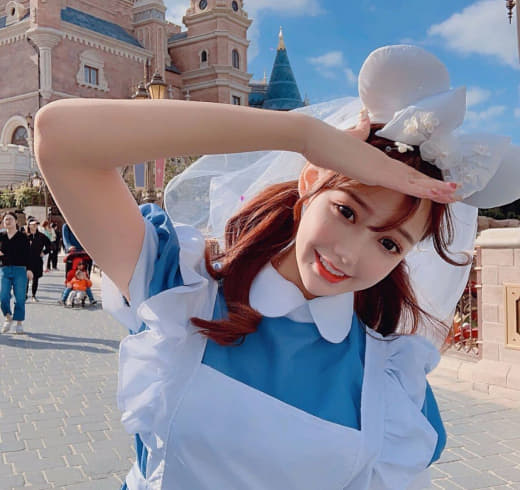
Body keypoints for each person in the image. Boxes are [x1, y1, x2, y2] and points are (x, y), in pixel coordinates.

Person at [34, 45, 520, 489]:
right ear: (309, 183)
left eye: (389, 243)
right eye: (347, 212)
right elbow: (59, 137)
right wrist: (300, 135)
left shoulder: (390, 379)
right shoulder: (184, 286)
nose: (350, 254)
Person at [0, 212, 32, 334]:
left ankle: (19, 323)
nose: (7, 221)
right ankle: (8, 317)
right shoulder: (1, 236)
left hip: (20, 269)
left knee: (20, 298)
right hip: (4, 269)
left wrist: (29, 269)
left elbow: (28, 254)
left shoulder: (23, 237)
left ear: (16, 222)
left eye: (10, 219)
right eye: (5, 220)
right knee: (3, 296)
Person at [26, 218, 50, 302]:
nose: (35, 226)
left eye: (36, 224)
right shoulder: (24, 236)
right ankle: (24, 295)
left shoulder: (41, 236)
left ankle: (33, 295)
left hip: (37, 260)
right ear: (29, 225)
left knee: (35, 279)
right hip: (26, 260)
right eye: (33, 224)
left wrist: (44, 252)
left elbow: (50, 245)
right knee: (25, 279)